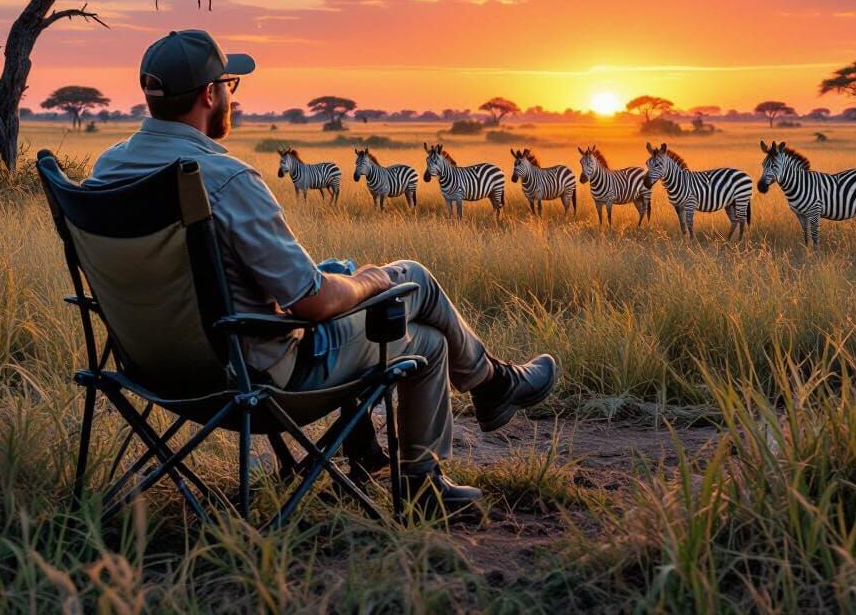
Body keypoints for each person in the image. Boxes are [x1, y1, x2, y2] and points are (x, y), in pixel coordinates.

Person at [85, 29, 557, 509]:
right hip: (257, 377)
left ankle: (376, 447)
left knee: (340, 272)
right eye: (229, 84)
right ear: (210, 94)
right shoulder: (225, 179)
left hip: (151, 368)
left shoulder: (106, 170)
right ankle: (464, 424)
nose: (231, 96)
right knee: (411, 286)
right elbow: (311, 302)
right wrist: (372, 278)